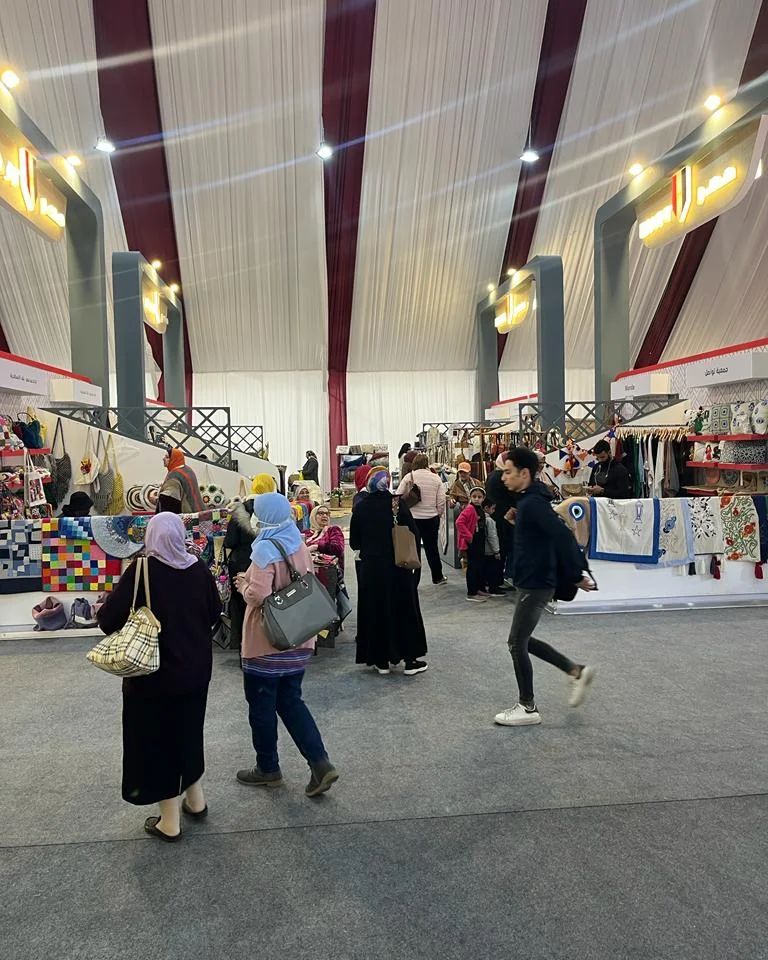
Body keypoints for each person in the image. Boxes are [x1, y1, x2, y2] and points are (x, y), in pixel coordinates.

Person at [96, 513, 222, 841]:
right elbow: (214, 613)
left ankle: (170, 822)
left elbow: (108, 621)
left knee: (157, 743)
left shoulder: (141, 571)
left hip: (153, 677)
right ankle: (196, 801)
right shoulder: (198, 568)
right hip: (196, 673)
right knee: (188, 733)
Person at [235, 493, 338, 797]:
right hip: (298, 636)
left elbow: (258, 595)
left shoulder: (264, 548)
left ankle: (268, 768)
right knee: (291, 701)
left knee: (262, 707)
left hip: (266, 643)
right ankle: (320, 762)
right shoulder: (297, 543)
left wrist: (242, 584)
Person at [494, 447, 596, 727]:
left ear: (524, 473)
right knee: (523, 639)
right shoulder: (529, 501)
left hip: (536, 582)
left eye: (508, 472)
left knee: (516, 643)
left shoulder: (533, 504)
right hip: (532, 579)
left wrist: (575, 574)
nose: (503, 477)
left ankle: (527, 707)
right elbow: (545, 537)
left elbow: (561, 536)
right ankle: (575, 671)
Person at [349, 469, 428, 676]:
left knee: (375, 611)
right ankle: (409, 659)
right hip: (398, 567)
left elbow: (355, 542)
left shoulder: (361, 507)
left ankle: (380, 660)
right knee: (404, 610)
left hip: (372, 569)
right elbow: (413, 532)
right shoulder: (397, 504)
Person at [396, 453, 447, 586]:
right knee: (432, 548)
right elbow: (441, 500)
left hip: (412, 519)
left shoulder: (409, 477)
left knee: (413, 549)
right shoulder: (436, 478)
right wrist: (438, 513)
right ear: (427, 463)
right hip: (431, 518)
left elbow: (398, 496)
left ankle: (414, 579)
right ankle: (437, 577)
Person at [304, 504, 346, 647]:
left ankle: (324, 634)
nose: (324, 516)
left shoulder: (334, 530)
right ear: (313, 516)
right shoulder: (305, 533)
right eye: (320, 513)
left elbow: (338, 548)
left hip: (328, 572)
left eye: (327, 513)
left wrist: (316, 547)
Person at [456, 486, 503, 602]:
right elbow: (459, 522)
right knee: (473, 568)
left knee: (478, 567)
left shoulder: (478, 509)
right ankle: (471, 592)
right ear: (470, 497)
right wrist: (469, 536)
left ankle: (478, 589)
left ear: (483, 498)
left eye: (479, 497)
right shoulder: (470, 509)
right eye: (474, 496)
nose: (477, 499)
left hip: (479, 541)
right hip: (473, 542)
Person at [485, 452, 518, 586]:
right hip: (505, 516)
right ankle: (499, 579)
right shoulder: (502, 477)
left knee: (496, 548)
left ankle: (495, 579)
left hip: (495, 514)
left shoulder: (492, 475)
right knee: (504, 548)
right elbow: (512, 495)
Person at [158, 447, 205, 514]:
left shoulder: (174, 475)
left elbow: (168, 499)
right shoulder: (187, 469)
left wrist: (157, 499)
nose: (163, 459)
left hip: (188, 514)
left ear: (174, 459)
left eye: (167, 457)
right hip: (199, 511)